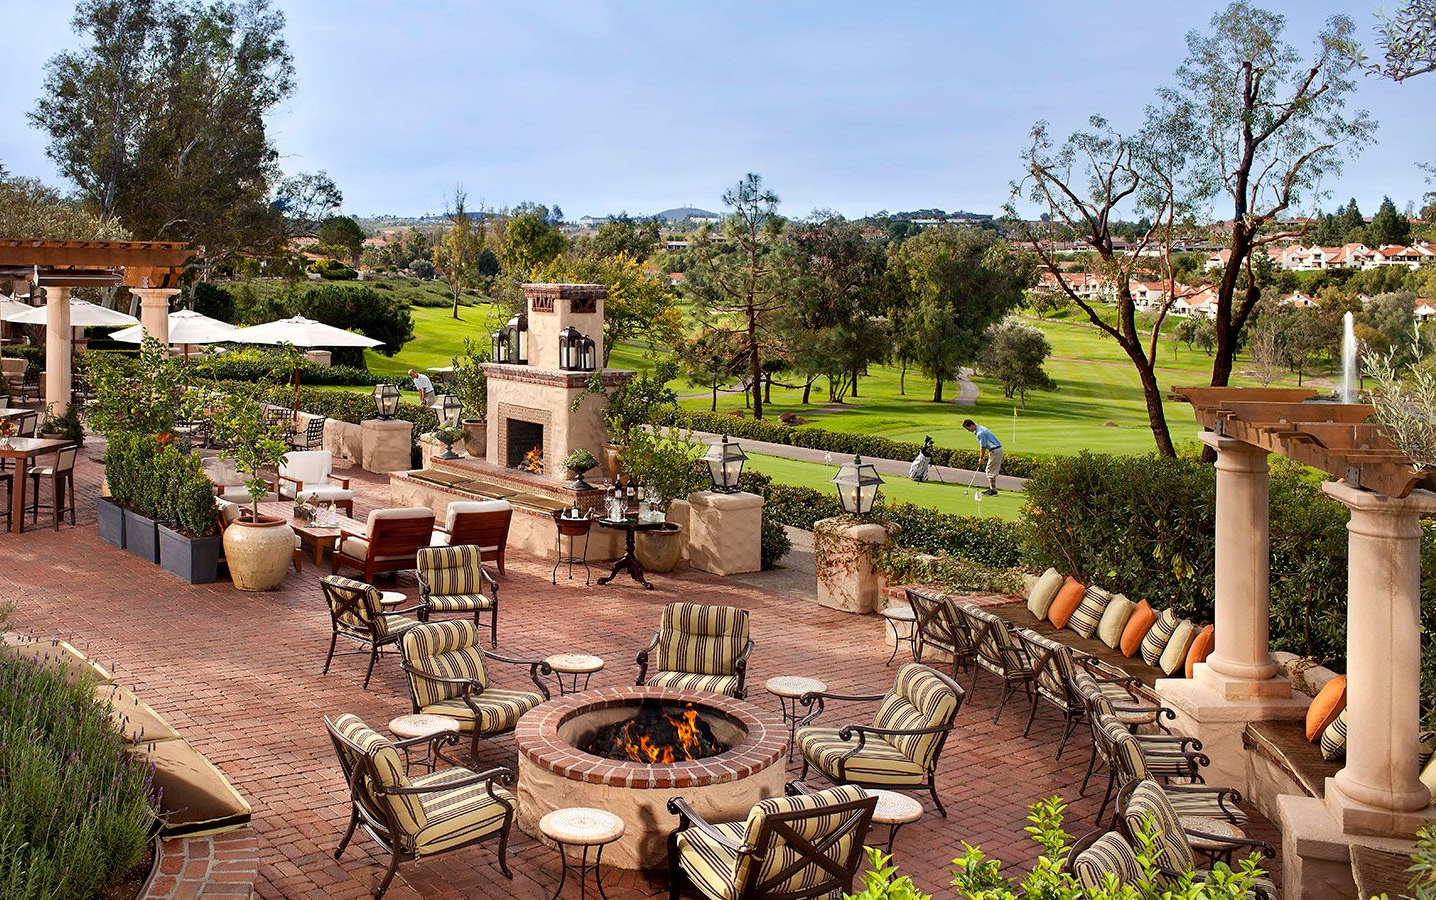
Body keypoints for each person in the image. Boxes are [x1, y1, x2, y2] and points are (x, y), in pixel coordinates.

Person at [963, 418, 1002, 496]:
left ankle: (993, 491)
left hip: (995, 451)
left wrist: (981, 458)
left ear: (972, 425)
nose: (968, 430)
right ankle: (992, 489)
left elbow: (983, 447)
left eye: (968, 428)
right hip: (995, 450)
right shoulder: (980, 428)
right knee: (990, 470)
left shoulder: (980, 433)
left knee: (990, 471)